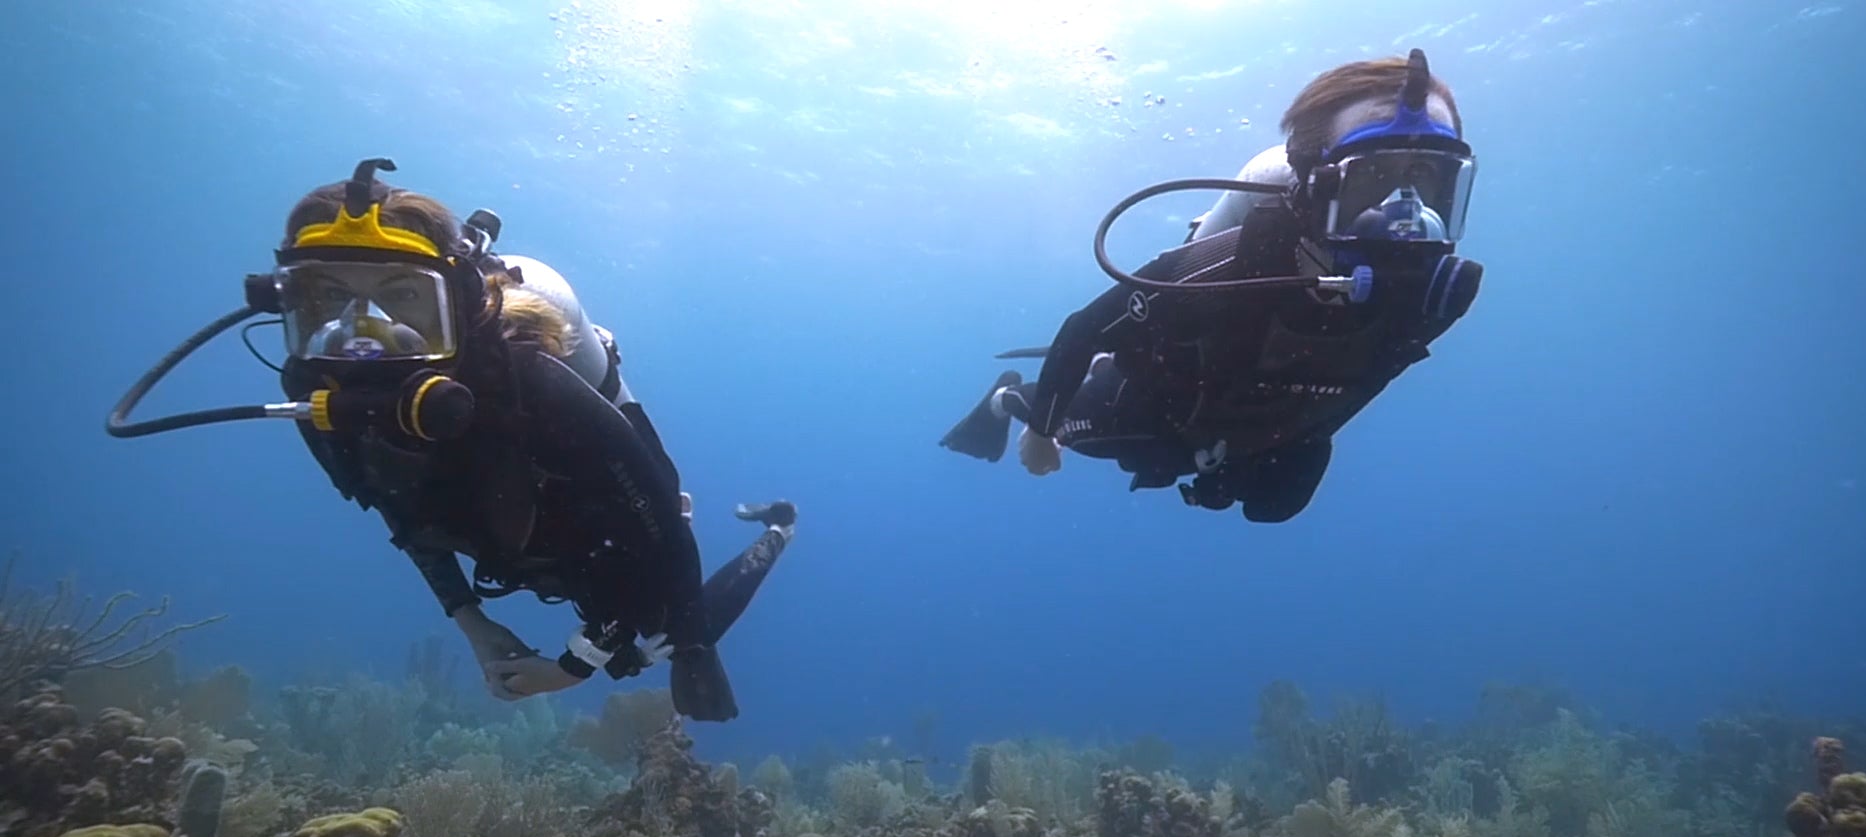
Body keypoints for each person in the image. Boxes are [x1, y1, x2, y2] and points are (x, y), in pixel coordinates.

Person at [110, 158, 791, 720]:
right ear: (289, 302)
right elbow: (399, 514)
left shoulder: (529, 380)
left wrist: (573, 667)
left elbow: (660, 522)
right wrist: (471, 622)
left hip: (604, 537)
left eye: (402, 299)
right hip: (504, 535)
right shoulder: (318, 394)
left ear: (458, 305)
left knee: (664, 637)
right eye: (328, 300)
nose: (364, 334)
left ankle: (778, 530)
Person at [941, 48, 1483, 523]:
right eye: (1375, 179)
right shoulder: (1218, 267)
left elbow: (1369, 378)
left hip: (1264, 420)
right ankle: (1006, 397)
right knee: (1109, 438)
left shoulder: (1438, 292)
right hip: (1157, 407)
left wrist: (1275, 445)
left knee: (1273, 508)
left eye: (1429, 179)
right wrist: (1039, 434)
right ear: (1314, 182)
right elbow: (1084, 329)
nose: (1404, 215)